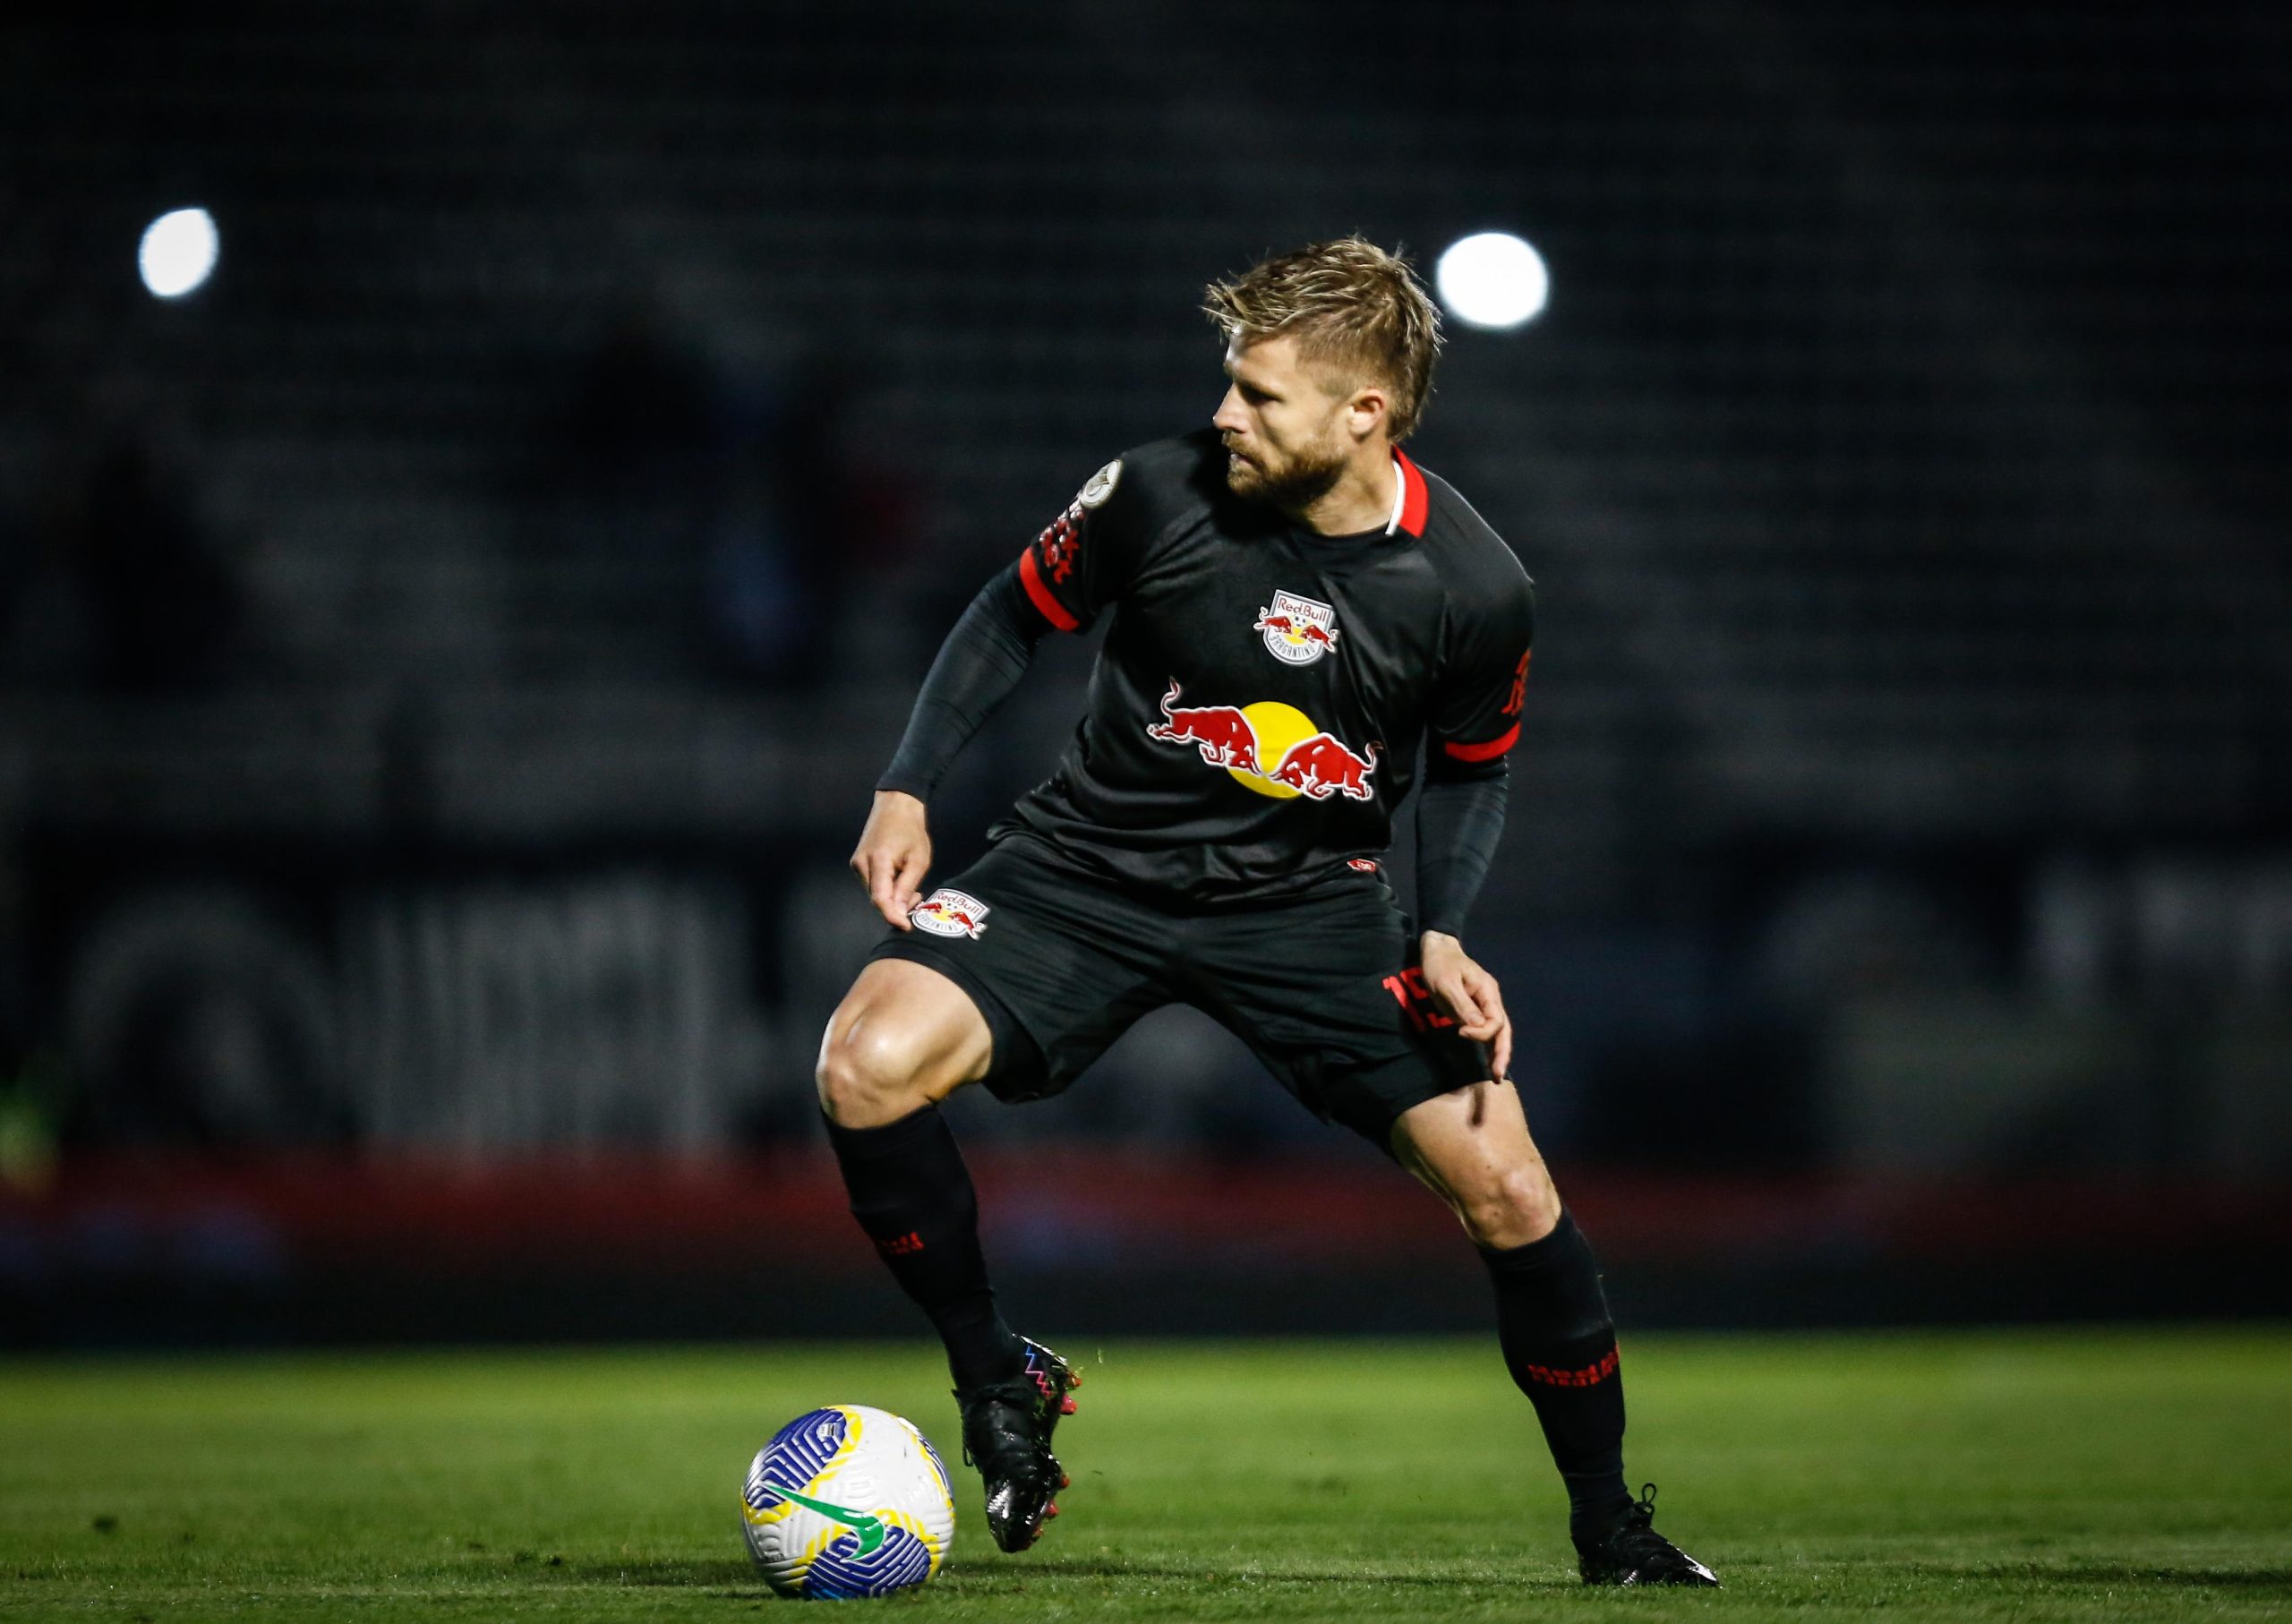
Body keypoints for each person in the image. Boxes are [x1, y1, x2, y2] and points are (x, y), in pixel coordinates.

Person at [815, 238, 1717, 1587]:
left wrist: (1446, 929)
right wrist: (905, 788)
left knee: (1512, 1185)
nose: (1226, 413)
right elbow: (1010, 613)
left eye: (1261, 394)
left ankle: (1612, 1528)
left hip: (1313, 910)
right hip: (1086, 869)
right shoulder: (1159, 489)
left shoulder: (1477, 588)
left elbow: (1474, 774)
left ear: (1365, 414)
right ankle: (997, 1375)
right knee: (862, 1066)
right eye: (1229, 384)